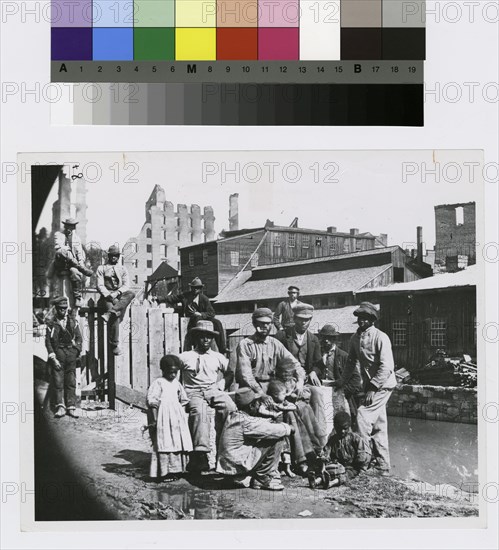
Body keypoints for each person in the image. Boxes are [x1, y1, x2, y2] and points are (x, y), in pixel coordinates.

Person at [337, 302, 396, 475]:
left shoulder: (380, 337)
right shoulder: (356, 338)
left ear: (372, 320)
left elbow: (387, 366)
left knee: (362, 417)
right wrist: (341, 381)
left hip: (383, 385)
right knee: (379, 425)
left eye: (366, 318)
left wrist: (372, 388)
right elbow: (350, 362)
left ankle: (363, 461)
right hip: (372, 386)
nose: (361, 321)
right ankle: (383, 465)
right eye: (359, 318)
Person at [178, 320, 234, 474]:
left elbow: (230, 373)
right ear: (196, 338)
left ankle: (228, 451)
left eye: (209, 337)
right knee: (200, 412)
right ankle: (200, 456)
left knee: (230, 408)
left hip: (213, 390)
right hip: (193, 392)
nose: (206, 340)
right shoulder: (185, 356)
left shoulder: (218, 357)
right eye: (202, 336)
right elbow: (173, 376)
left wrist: (220, 384)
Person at [216, 387, 293, 491]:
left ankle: (249, 476)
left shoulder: (234, 416)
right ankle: (262, 477)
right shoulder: (245, 422)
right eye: (258, 404)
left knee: (268, 435)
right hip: (237, 466)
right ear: (252, 405)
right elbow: (273, 430)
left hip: (229, 467)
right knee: (277, 437)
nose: (259, 406)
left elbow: (257, 423)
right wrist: (288, 427)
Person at [274, 304, 327, 442]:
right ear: (294, 318)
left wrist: (315, 372)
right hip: (285, 379)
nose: (304, 323)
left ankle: (320, 437)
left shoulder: (313, 339)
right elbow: (274, 360)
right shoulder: (282, 336)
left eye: (307, 320)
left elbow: (319, 364)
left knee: (318, 393)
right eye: (301, 319)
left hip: (306, 379)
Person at [235, 308, 306, 400]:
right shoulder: (245, 345)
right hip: (252, 388)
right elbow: (246, 375)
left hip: (273, 386)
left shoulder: (275, 344)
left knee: (301, 398)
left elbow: (295, 364)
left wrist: (300, 381)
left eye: (268, 323)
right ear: (254, 323)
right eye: (261, 323)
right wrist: (261, 393)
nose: (265, 326)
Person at [146, 355, 193, 481]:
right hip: (163, 417)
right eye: (170, 372)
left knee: (178, 441)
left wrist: (180, 414)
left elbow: (183, 399)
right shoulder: (158, 383)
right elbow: (152, 402)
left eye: (175, 372)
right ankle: (165, 472)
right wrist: (155, 420)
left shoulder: (177, 383)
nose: (173, 375)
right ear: (163, 370)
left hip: (177, 418)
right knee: (165, 442)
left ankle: (178, 470)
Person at [160, 277, 226, 353]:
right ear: (191, 288)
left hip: (202, 318)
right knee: (196, 325)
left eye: (197, 288)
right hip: (191, 321)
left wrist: (200, 314)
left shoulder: (204, 299)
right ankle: (196, 347)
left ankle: (222, 348)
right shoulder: (186, 296)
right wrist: (159, 299)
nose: (195, 289)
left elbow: (211, 313)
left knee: (217, 322)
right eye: (193, 288)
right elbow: (173, 298)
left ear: (201, 288)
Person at [314, 324, 363, 426]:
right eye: (324, 338)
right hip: (322, 393)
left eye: (329, 338)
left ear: (334, 339)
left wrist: (344, 391)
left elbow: (356, 379)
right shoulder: (318, 354)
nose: (326, 341)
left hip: (339, 394)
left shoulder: (343, 356)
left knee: (340, 423)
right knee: (322, 422)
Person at [44, 296, 82, 418]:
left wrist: (76, 351)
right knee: (58, 381)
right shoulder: (51, 323)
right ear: (56, 308)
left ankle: (71, 406)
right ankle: (60, 406)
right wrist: (53, 357)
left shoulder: (73, 321)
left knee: (71, 381)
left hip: (70, 353)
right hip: (58, 353)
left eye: (65, 308)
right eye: (60, 308)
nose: (63, 311)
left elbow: (79, 338)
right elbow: (48, 341)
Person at [96, 245, 136, 355]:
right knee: (115, 314)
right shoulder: (101, 268)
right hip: (106, 297)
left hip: (119, 294)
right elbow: (99, 285)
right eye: (112, 255)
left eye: (116, 255)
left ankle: (110, 313)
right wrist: (109, 295)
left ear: (118, 257)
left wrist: (117, 293)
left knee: (131, 293)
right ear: (108, 256)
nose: (114, 257)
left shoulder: (123, 268)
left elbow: (126, 285)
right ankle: (114, 344)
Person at [47, 218, 93, 308]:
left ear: (74, 227)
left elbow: (79, 254)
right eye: (68, 227)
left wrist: (81, 264)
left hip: (71, 265)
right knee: (62, 251)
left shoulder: (77, 239)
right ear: (65, 226)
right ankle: (81, 268)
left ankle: (77, 297)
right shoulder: (58, 235)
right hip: (60, 262)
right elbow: (58, 247)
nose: (70, 229)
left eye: (72, 227)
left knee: (74, 272)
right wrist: (69, 252)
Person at [323, 411, 372, 487]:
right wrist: (325, 458)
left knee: (347, 474)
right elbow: (327, 451)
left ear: (349, 426)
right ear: (335, 427)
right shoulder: (333, 439)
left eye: (345, 428)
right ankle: (318, 480)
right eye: (339, 428)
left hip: (353, 467)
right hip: (338, 466)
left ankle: (332, 483)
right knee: (327, 470)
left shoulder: (356, 439)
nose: (342, 431)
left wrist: (361, 469)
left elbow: (363, 454)